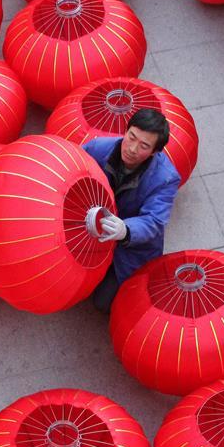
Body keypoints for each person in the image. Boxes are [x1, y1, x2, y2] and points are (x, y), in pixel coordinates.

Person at [82, 108, 181, 312]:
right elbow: (71, 164)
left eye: (144, 145)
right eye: (131, 137)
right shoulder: (97, 148)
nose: (132, 149)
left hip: (130, 246)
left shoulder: (166, 178)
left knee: (104, 303)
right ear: (125, 131)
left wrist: (125, 230)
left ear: (155, 152)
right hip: (91, 225)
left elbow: (154, 221)